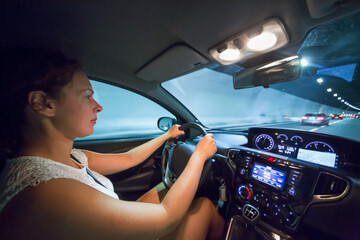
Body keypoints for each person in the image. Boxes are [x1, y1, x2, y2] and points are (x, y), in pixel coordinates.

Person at [0, 48, 224, 239]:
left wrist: (166, 136)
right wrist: (198, 156)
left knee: (166, 187)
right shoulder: (48, 192)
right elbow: (167, 217)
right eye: (87, 96)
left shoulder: (69, 158)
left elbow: (128, 158)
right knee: (203, 207)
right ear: (42, 103)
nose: (98, 106)